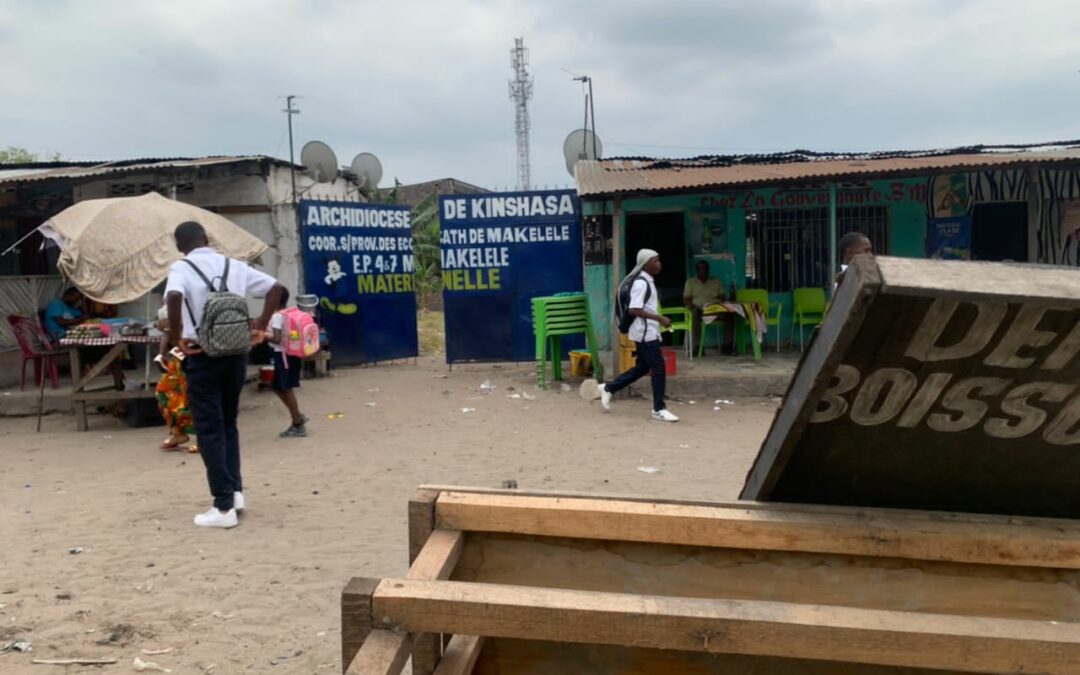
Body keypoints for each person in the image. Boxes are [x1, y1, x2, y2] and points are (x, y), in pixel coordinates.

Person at [166, 221, 284, 529]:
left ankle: (222, 508)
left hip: (202, 355)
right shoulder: (233, 264)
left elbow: (174, 298)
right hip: (235, 355)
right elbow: (276, 289)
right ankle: (235, 492)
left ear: (180, 246)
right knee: (229, 424)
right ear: (206, 238)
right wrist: (260, 325)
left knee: (209, 430)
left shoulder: (181, 268)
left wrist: (177, 335)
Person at [597, 249, 680, 422]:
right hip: (644, 334)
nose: (659, 264)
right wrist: (660, 318)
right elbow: (634, 309)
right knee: (658, 368)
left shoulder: (648, 281)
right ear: (646, 264)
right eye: (656, 260)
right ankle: (658, 408)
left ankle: (609, 388)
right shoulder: (641, 283)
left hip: (647, 332)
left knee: (642, 367)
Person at [44, 287, 124, 390]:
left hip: (77, 339)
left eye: (79, 299)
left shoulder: (73, 309)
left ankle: (119, 384)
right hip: (61, 340)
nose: (77, 301)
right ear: (69, 295)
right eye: (76, 298)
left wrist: (85, 302)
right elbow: (62, 322)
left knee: (111, 350)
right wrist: (81, 319)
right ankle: (80, 386)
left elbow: (87, 315)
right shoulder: (55, 304)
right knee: (105, 350)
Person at [267, 287, 309, 438]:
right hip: (290, 355)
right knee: (277, 386)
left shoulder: (278, 316)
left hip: (282, 355)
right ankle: (297, 415)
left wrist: (262, 334)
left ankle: (297, 424)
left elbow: (277, 339)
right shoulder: (289, 312)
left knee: (286, 388)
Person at [153, 306, 196, 452]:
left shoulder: (191, 324)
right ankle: (178, 433)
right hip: (177, 364)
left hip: (196, 360)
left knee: (196, 399)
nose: (160, 324)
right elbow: (166, 338)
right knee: (163, 393)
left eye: (164, 321)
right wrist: (160, 355)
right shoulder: (170, 330)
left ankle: (204, 438)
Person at [683, 260, 734, 355]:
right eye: (700, 269)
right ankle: (697, 347)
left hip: (715, 309)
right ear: (697, 271)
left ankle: (727, 346)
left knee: (730, 314)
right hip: (699, 310)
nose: (703, 271)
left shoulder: (716, 282)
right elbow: (686, 300)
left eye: (705, 269)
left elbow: (722, 297)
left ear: (708, 270)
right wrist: (695, 306)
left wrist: (715, 304)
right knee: (694, 314)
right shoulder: (690, 282)